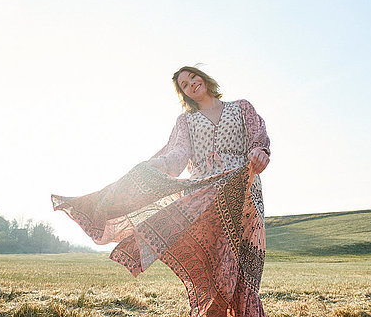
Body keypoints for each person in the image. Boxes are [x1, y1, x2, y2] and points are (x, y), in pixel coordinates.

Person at [52, 66, 270, 317]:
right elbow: (176, 157)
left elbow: (258, 138)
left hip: (243, 190)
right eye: (184, 85)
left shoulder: (241, 107)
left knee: (243, 271)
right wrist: (150, 166)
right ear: (184, 94)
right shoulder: (186, 121)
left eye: (192, 78)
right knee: (215, 269)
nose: (191, 84)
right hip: (204, 195)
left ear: (203, 77)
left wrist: (260, 152)